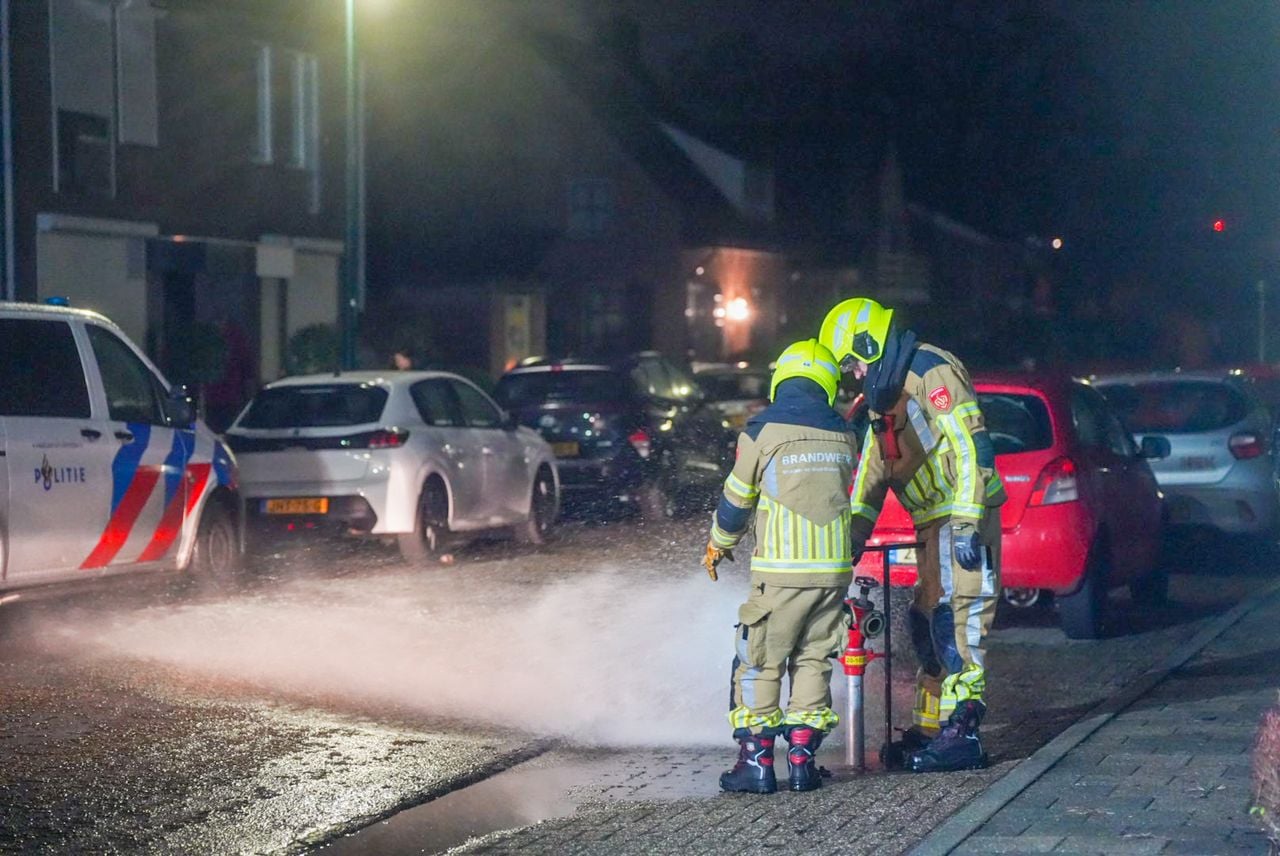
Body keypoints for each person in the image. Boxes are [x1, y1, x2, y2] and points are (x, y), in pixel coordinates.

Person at [819, 297, 1005, 774]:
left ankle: (963, 732)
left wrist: (966, 519)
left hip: (958, 517)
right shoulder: (886, 395)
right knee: (926, 624)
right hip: (931, 523)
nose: (852, 375)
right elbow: (873, 472)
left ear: (868, 342)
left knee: (958, 621)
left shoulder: (929, 369)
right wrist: (853, 537)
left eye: (851, 363)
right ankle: (931, 729)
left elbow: (969, 443)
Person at [702, 339, 858, 794]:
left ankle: (756, 764)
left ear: (781, 380)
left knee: (761, 662)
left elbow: (735, 503)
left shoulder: (760, 433)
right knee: (814, 659)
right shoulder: (844, 435)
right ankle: (803, 763)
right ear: (826, 384)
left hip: (781, 573)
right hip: (832, 574)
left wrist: (718, 544)